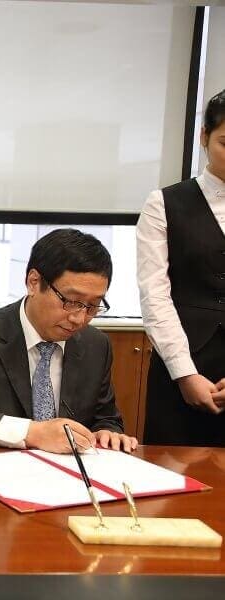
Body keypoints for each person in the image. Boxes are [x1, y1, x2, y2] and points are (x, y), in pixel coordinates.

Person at [0, 228, 138, 454]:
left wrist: (107, 433)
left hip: (70, 480)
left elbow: (106, 418)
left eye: (93, 306)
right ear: (33, 282)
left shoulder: (96, 345)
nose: (79, 318)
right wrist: (32, 433)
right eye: (72, 301)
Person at [137, 89, 225, 446]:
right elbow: (154, 293)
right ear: (204, 137)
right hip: (181, 367)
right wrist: (184, 373)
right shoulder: (163, 203)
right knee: (172, 486)